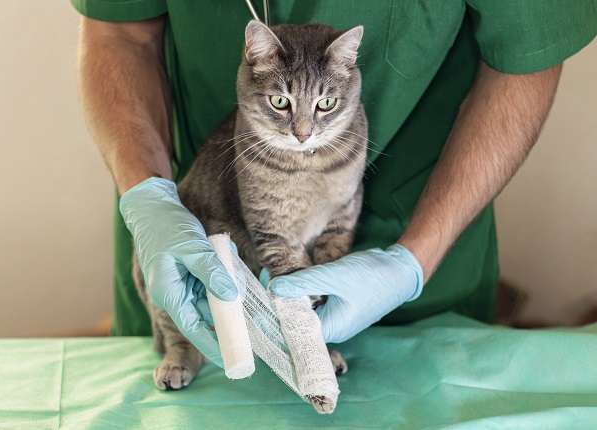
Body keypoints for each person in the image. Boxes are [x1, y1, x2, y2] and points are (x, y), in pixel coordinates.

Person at [73, 0, 597, 363]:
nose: (303, 133)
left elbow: (528, 57)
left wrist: (412, 261)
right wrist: (148, 195)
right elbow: (118, 31)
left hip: (425, 220)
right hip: (199, 208)